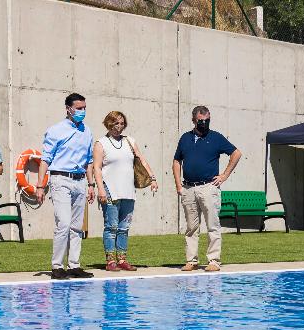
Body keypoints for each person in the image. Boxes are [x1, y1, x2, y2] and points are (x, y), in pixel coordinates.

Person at [172, 105, 242, 272]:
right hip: (188, 188)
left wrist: (224, 175)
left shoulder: (216, 137)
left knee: (213, 225)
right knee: (191, 228)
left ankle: (214, 261)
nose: (204, 123)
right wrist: (178, 185)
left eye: (207, 120)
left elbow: (236, 153)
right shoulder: (185, 138)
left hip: (208, 188)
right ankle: (191, 261)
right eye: (201, 121)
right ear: (193, 120)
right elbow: (176, 161)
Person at [37, 92, 96, 280]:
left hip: (80, 180)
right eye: (79, 108)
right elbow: (45, 159)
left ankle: (74, 265)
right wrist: (40, 185)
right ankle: (57, 266)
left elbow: (89, 161)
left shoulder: (87, 131)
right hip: (60, 179)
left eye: (84, 108)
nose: (82, 111)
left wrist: (91, 184)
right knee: (63, 223)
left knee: (77, 226)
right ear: (68, 109)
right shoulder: (55, 130)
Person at [94, 110, 158, 271]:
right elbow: (96, 168)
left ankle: (122, 259)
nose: (119, 126)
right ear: (109, 123)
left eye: (122, 123)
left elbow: (141, 159)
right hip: (110, 190)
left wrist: (152, 178)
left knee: (124, 227)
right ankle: (110, 261)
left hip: (128, 191)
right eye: (116, 123)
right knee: (112, 226)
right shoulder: (101, 143)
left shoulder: (130, 141)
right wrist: (100, 190)